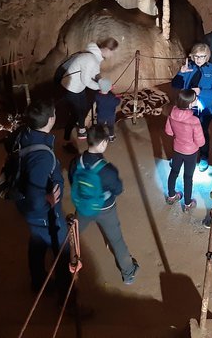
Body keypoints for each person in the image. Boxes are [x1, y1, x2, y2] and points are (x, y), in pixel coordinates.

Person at [68, 125, 139, 284]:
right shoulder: (108, 170)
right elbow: (118, 189)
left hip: (83, 207)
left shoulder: (76, 161)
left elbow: (73, 181)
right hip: (106, 209)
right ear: (102, 144)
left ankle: (73, 264)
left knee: (74, 234)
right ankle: (128, 274)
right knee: (117, 241)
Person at [15, 99, 71, 295]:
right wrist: (46, 201)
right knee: (62, 251)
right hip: (45, 214)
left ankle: (38, 282)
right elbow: (35, 191)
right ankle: (67, 299)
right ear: (50, 120)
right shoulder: (42, 156)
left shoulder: (26, 134)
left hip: (29, 212)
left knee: (37, 242)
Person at [58, 38, 119, 151]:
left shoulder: (95, 57)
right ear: (106, 49)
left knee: (83, 109)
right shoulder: (91, 59)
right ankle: (68, 140)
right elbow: (86, 81)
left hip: (78, 87)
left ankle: (80, 129)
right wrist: (102, 87)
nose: (113, 54)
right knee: (75, 115)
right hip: (71, 88)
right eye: (113, 51)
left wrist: (102, 82)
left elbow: (95, 73)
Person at [171, 43, 212, 172]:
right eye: (196, 56)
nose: (199, 59)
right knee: (184, 131)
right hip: (188, 107)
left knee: (202, 132)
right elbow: (176, 85)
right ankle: (181, 155)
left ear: (207, 56)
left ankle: (204, 156)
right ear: (192, 56)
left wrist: (201, 92)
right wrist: (180, 73)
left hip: (205, 110)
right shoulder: (188, 68)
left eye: (202, 56)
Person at [164, 90, 205, 212]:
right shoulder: (194, 121)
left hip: (177, 149)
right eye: (195, 98)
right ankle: (187, 203)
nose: (197, 99)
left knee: (174, 171)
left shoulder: (172, 113)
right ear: (190, 103)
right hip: (190, 153)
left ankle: (171, 196)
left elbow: (169, 132)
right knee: (188, 177)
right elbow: (200, 142)